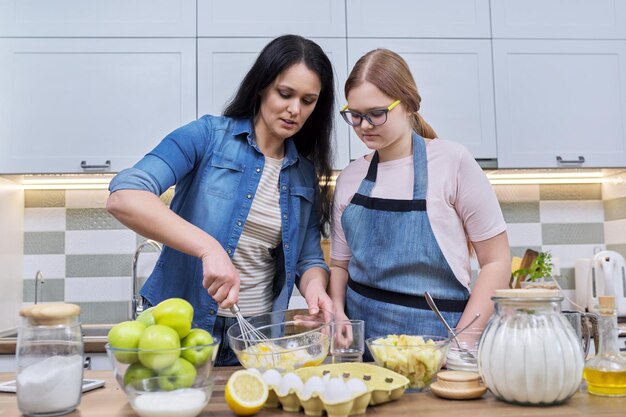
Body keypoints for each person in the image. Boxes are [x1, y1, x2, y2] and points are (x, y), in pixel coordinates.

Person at [106, 34, 335, 366]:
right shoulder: (207, 137)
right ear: (261, 87)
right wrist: (209, 248)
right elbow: (124, 196)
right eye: (285, 94)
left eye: (308, 100)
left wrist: (316, 289)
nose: (294, 109)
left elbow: (309, 258)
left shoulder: (304, 174)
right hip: (180, 332)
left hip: (256, 333)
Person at [329, 49, 511, 345]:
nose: (363, 126)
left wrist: (461, 344)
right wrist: (337, 311)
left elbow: (497, 261)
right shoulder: (350, 178)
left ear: (409, 104)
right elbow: (339, 265)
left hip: (440, 350)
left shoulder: (453, 162)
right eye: (355, 115)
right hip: (362, 352)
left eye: (376, 114)